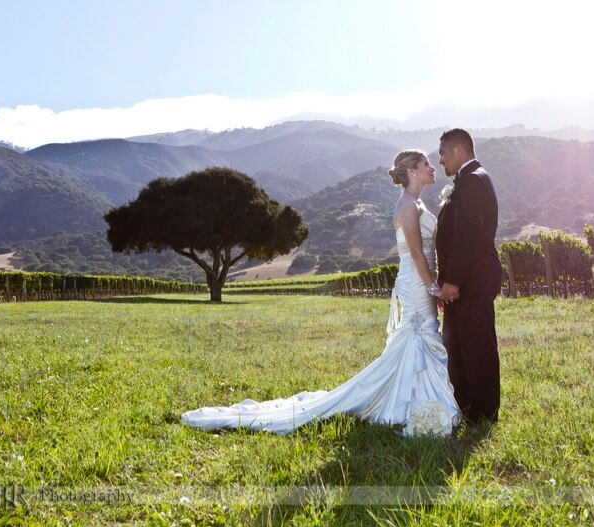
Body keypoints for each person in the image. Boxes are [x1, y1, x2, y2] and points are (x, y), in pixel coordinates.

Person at [181, 150, 461, 436]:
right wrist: (434, 287)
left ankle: (414, 395)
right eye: (426, 164)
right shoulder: (407, 206)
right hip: (416, 283)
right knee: (418, 334)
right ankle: (412, 400)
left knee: (422, 335)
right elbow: (415, 253)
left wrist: (434, 283)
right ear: (412, 171)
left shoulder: (417, 202)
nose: (432, 167)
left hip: (422, 280)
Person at [435, 128, 502, 425]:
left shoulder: (473, 181)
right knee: (458, 345)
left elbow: (467, 237)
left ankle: (484, 412)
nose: (440, 161)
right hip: (464, 280)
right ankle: (465, 405)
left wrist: (452, 281)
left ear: (458, 150)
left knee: (477, 346)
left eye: (443, 154)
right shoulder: (467, 180)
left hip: (472, 280)